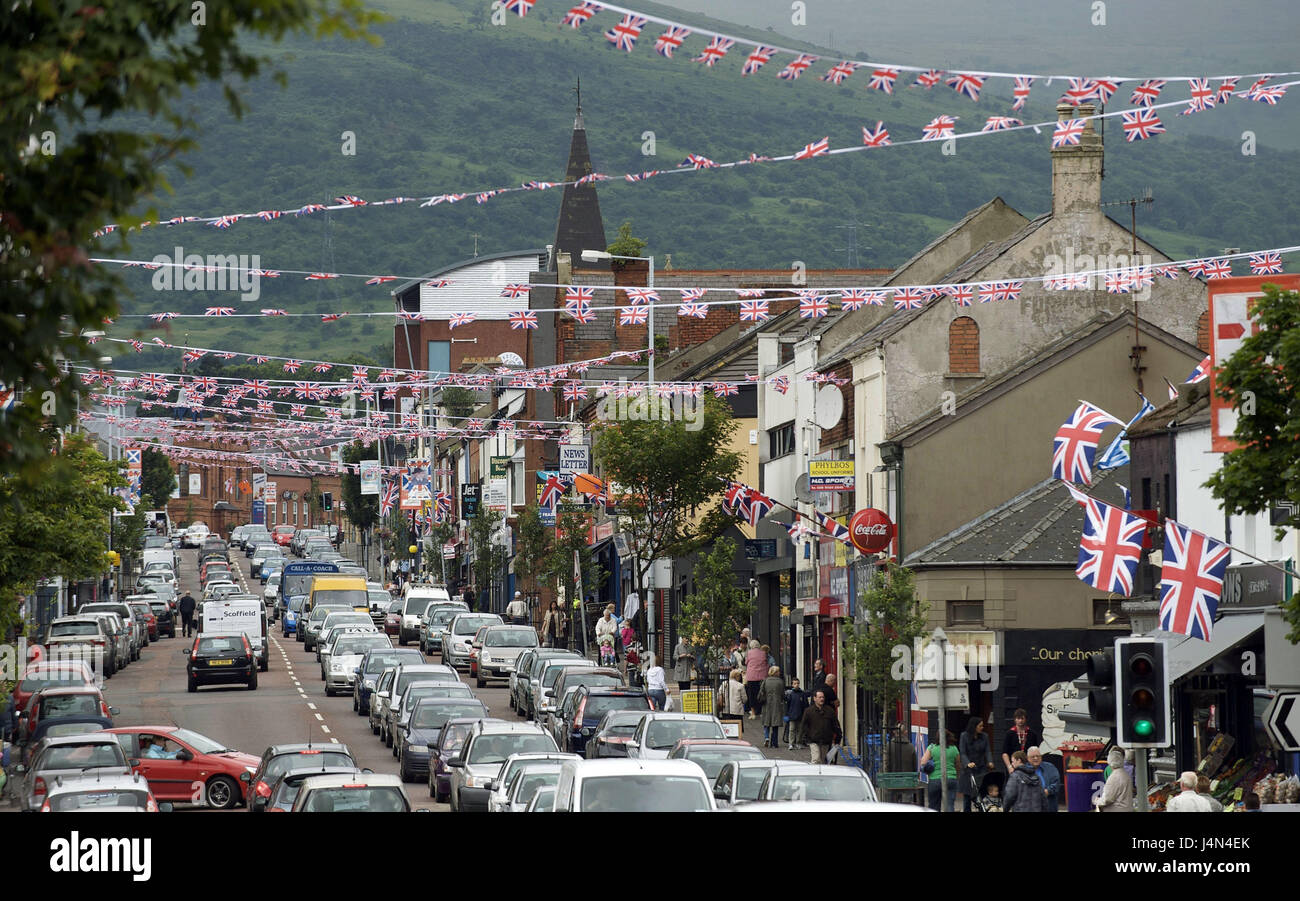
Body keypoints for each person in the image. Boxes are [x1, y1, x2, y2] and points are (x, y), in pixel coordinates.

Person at [958, 716, 993, 812]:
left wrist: (990, 761)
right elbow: (963, 752)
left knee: (981, 797)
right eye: (980, 726)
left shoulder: (984, 736)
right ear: (974, 726)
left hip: (981, 769)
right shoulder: (964, 736)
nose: (982, 727)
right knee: (967, 797)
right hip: (968, 771)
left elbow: (988, 751)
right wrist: (967, 763)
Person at [920, 731, 960, 812]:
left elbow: (923, 762)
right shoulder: (954, 749)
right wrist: (956, 776)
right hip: (951, 779)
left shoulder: (931, 748)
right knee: (950, 805)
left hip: (935, 780)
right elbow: (958, 764)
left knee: (934, 805)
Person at [799, 689, 842, 765]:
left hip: (826, 740)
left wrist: (838, 737)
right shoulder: (809, 711)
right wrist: (802, 738)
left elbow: (835, 724)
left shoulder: (829, 711)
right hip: (813, 740)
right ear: (814, 698)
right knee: (816, 759)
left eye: (823, 697)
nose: (822, 699)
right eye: (819, 697)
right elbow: (804, 725)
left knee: (824, 761)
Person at [1000, 708, 1040, 774]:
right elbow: (1005, 753)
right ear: (1015, 719)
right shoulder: (1010, 734)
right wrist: (1009, 767)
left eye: (1022, 718)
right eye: (1018, 718)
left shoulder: (1032, 734)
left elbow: (1035, 752)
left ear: (1026, 719)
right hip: (1013, 766)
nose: (1020, 721)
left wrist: (1034, 766)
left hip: (1028, 766)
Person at [1096, 747, 1134, 812]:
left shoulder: (1114, 777)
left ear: (1109, 761)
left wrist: (1097, 801)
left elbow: (1108, 799)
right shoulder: (1125, 774)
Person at [1027, 747, 1061, 812]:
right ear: (1028, 758)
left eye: (1038, 756)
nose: (1036, 758)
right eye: (1033, 757)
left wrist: (1048, 791)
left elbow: (1056, 783)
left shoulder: (1050, 767)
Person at [760, 666, 785, 748]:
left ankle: (767, 737)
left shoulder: (765, 681)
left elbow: (761, 692)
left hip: (766, 704)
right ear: (775, 673)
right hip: (776, 704)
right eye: (778, 671)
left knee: (766, 723)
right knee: (775, 724)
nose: (779, 673)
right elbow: (782, 694)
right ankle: (774, 742)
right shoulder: (780, 682)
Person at [744, 640, 767, 719]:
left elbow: (746, 662)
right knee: (761, 694)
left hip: (751, 676)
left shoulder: (749, 653)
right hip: (762, 676)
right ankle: (760, 711)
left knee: (751, 695)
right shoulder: (763, 653)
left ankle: (753, 713)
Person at [783, 678, 808, 750]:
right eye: (795, 683)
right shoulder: (790, 694)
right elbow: (788, 705)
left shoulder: (802, 694)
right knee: (792, 729)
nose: (796, 685)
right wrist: (787, 714)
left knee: (800, 730)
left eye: (797, 683)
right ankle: (791, 743)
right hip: (792, 715)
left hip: (800, 715)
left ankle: (798, 743)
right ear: (792, 685)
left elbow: (805, 704)